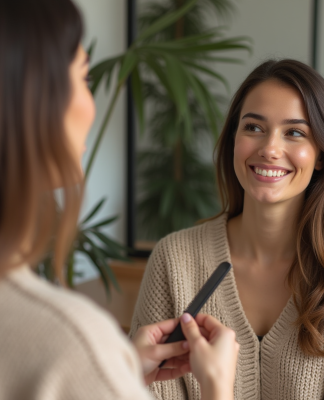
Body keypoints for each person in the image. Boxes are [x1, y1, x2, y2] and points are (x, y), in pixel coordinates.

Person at [0, 0, 240, 399]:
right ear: (33, 101)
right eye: (85, 77)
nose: (270, 148)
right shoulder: (67, 344)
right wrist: (218, 390)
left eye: (296, 132)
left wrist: (115, 367)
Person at [130, 58, 324, 400]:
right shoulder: (174, 260)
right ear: (234, 138)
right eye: (253, 127)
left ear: (320, 154)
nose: (269, 149)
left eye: (295, 132)